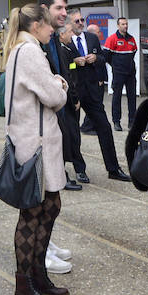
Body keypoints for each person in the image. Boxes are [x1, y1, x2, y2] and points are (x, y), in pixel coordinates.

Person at [1, 3, 70, 295]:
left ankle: (38, 277)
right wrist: (61, 82)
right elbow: (54, 96)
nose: (52, 29)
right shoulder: (29, 51)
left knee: (49, 205)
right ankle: (25, 286)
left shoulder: (21, 49)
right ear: (36, 26)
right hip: (35, 142)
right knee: (33, 213)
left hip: (33, 138)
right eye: (48, 25)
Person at [67, 9, 129, 180]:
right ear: (69, 24)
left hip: (92, 91)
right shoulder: (64, 41)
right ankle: (80, 169)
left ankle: (113, 169)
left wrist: (95, 58)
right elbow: (64, 67)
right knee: (73, 132)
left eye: (82, 20)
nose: (81, 23)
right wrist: (74, 62)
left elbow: (103, 59)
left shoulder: (92, 38)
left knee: (104, 127)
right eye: (77, 21)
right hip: (75, 92)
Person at [37, 0, 84, 197]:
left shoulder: (54, 36)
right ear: (44, 10)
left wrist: (70, 96)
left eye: (66, 8)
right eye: (59, 8)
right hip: (43, 113)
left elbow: (62, 69)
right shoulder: (34, 41)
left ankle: (60, 175)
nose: (65, 13)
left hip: (60, 102)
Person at [54, 24, 88, 196]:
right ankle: (64, 173)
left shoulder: (69, 48)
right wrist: (74, 99)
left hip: (72, 96)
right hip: (67, 101)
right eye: (68, 32)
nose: (71, 34)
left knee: (73, 136)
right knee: (70, 136)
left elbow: (73, 73)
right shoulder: (60, 50)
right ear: (61, 35)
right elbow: (67, 76)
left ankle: (77, 169)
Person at [104, 17, 139, 131]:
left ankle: (132, 122)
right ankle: (116, 122)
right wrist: (116, 65)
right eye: (123, 24)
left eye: (126, 24)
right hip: (118, 73)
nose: (125, 26)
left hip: (130, 74)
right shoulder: (112, 39)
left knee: (132, 98)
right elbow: (106, 56)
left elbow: (134, 52)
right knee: (117, 97)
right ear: (118, 26)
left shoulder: (131, 39)